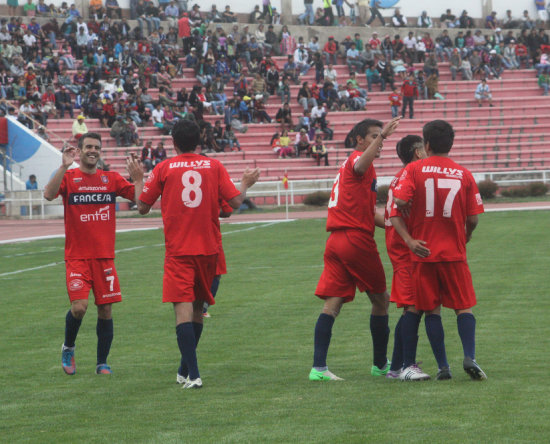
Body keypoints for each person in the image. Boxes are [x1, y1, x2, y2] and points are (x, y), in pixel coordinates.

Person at [132, 120, 260, 389]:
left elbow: (142, 206)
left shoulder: (164, 168)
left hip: (180, 251)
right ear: (199, 141)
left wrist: (137, 179)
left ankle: (194, 375)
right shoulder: (213, 166)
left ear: (173, 142)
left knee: (182, 313)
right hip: (209, 250)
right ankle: (184, 369)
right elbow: (235, 203)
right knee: (198, 313)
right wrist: (245, 183)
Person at [390, 120, 487, 381]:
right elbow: (474, 218)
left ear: (428, 144)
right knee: (463, 307)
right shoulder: (463, 173)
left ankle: (444, 366)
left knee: (431, 309)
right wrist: (464, 236)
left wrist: (410, 240)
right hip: (454, 252)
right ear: (450, 144)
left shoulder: (413, 169)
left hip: (423, 252)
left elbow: (398, 201)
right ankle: (470, 355)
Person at [309, 116, 401, 381]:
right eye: (373, 137)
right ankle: (380, 364)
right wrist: (384, 135)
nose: (379, 141)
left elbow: (370, 211)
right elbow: (360, 164)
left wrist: (400, 227)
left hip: (337, 240)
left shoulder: (356, 167)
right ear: (360, 140)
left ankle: (318, 368)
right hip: (354, 240)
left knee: (333, 303)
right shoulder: (356, 160)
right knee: (381, 300)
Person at [43, 133, 143, 376]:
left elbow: (141, 205)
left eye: (96, 147)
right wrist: (63, 166)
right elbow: (48, 194)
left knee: (105, 310)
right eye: (88, 146)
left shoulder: (111, 179)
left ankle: (102, 363)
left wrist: (139, 180)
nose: (92, 150)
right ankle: (68, 347)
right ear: (79, 150)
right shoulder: (69, 177)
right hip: (77, 258)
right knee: (79, 307)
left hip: (104, 258)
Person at [383, 135, 430, 380]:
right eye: (425, 148)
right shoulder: (409, 176)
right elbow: (396, 210)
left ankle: (397, 366)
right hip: (405, 247)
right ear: (418, 153)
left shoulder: (402, 176)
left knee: (410, 307)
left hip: (401, 244)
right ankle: (408, 366)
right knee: (414, 305)